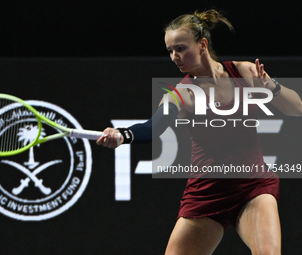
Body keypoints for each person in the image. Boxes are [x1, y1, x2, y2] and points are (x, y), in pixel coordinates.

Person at [96, 9, 302, 255]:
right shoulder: (181, 95)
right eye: (170, 51)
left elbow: (297, 109)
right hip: (207, 192)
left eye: (180, 48)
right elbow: (154, 127)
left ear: (202, 44)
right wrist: (122, 134)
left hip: (253, 186)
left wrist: (273, 88)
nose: (174, 57)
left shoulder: (246, 73)